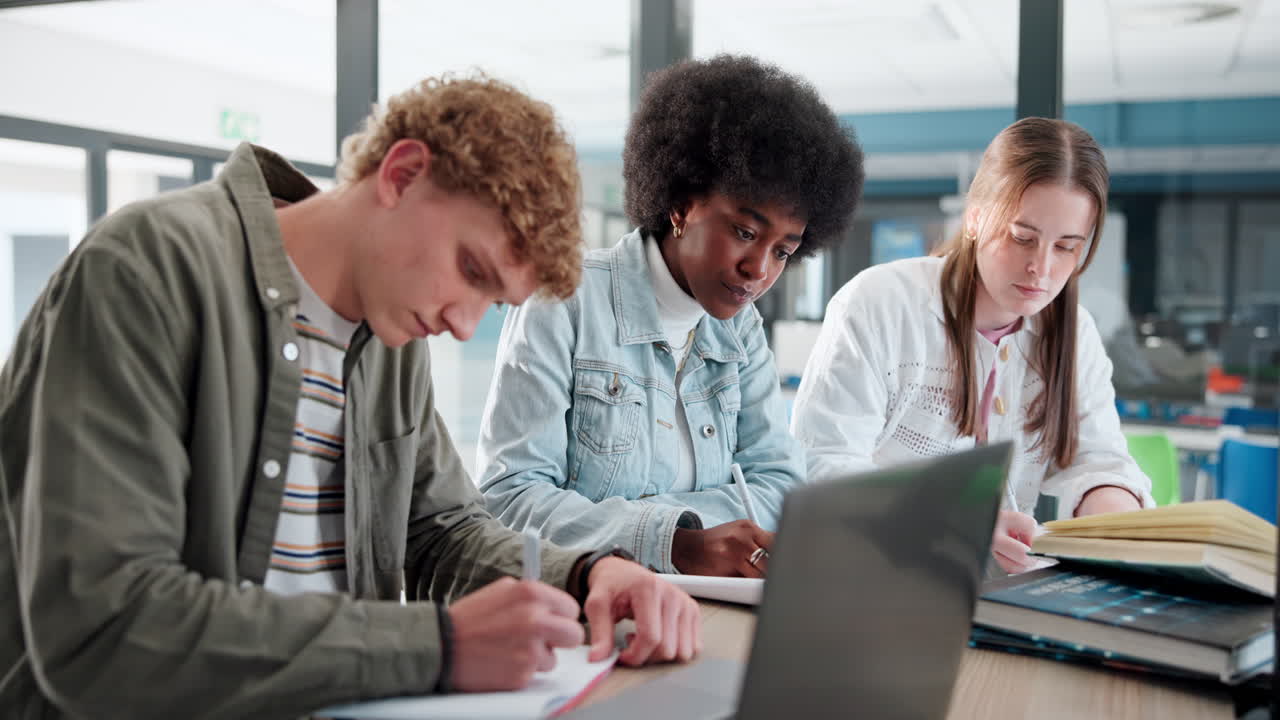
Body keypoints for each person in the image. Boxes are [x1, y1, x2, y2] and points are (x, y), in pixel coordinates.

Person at [0, 74, 698, 720]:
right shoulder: (146, 269)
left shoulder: (391, 332)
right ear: (402, 173)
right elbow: (103, 626)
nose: (461, 324)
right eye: (471, 270)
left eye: (491, 303)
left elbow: (441, 533)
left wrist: (587, 573)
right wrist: (436, 646)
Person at [475, 55, 865, 578]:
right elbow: (511, 499)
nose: (758, 270)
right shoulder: (564, 299)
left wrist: (690, 542)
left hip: (706, 602)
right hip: (582, 609)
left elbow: (777, 480)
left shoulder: (739, 328)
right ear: (682, 204)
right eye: (746, 233)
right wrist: (677, 543)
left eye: (783, 251)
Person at [790, 117, 1154, 574]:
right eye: (1022, 238)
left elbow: (1100, 462)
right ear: (977, 219)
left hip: (998, 591)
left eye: (1066, 247)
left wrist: (1118, 529)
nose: (1040, 268)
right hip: (876, 574)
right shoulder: (882, 302)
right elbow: (823, 464)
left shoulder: (1073, 332)